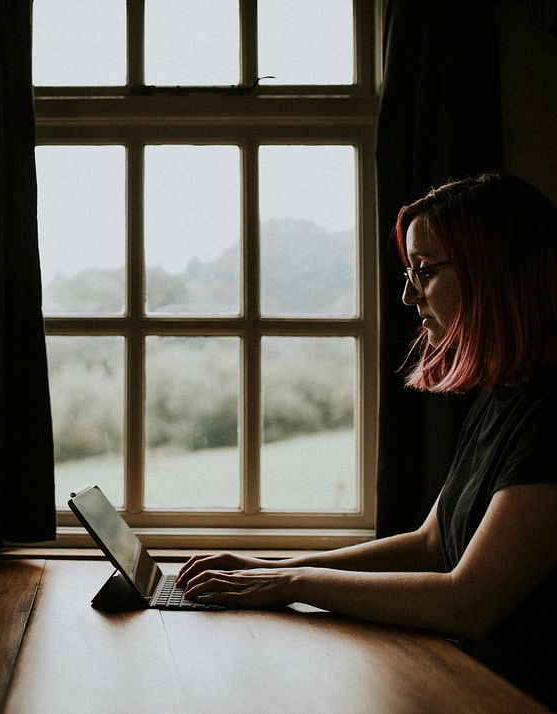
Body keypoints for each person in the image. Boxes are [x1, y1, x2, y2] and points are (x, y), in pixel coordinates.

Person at [177, 172, 557, 708]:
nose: (406, 294)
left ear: (492, 271)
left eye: (423, 270)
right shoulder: (502, 396)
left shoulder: (549, 412)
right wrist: (272, 570)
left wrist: (295, 585)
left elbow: (468, 602)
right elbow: (431, 546)